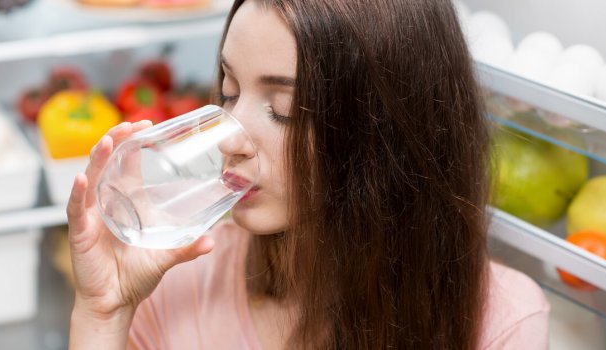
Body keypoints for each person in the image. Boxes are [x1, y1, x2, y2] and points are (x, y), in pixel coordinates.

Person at [66, 0, 550, 349]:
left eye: (284, 109)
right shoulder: (179, 284)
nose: (230, 139)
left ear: (386, 136)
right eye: (229, 91)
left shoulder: (500, 322)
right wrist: (102, 312)